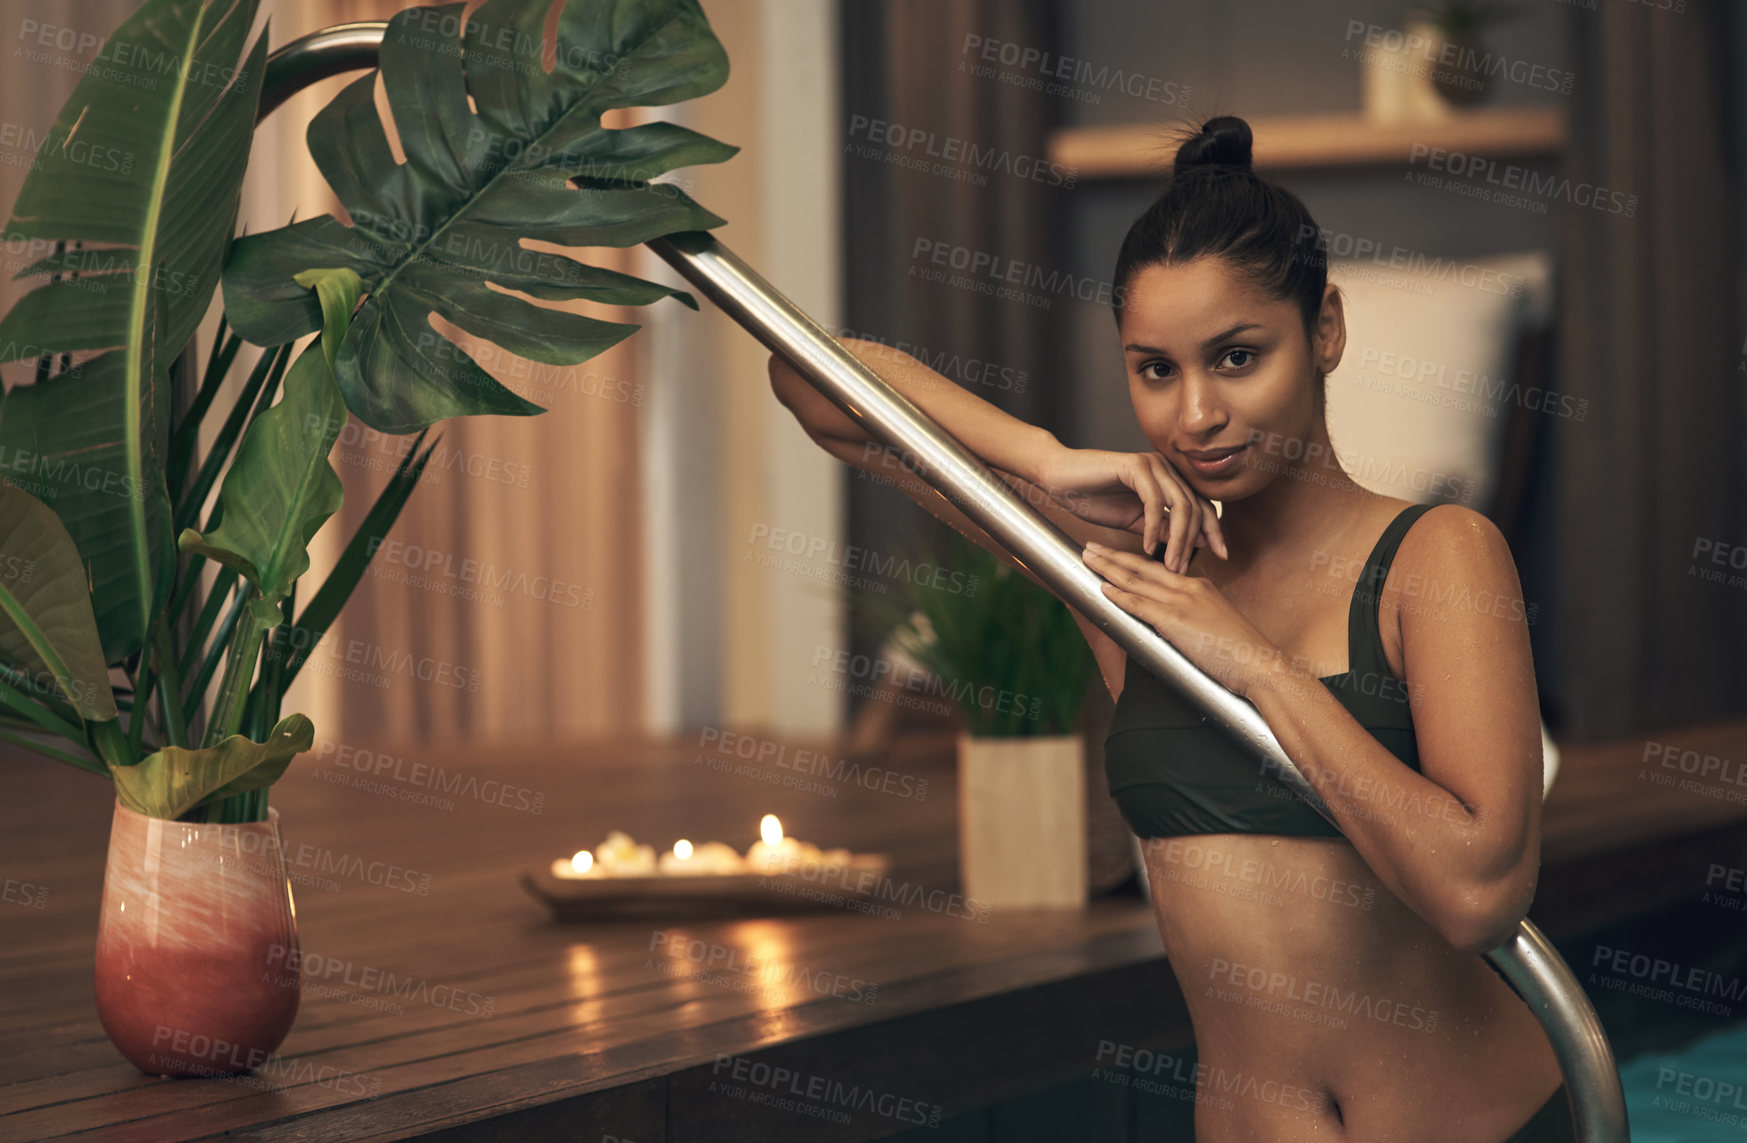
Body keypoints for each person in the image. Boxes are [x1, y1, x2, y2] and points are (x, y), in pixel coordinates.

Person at [769, 114, 1568, 1143]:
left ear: (1324, 328)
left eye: (1237, 357)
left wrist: (1251, 665)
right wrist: (1046, 460)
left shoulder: (1434, 556)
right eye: (1155, 370)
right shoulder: (1132, 573)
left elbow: (1477, 895)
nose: (1195, 415)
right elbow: (811, 381)